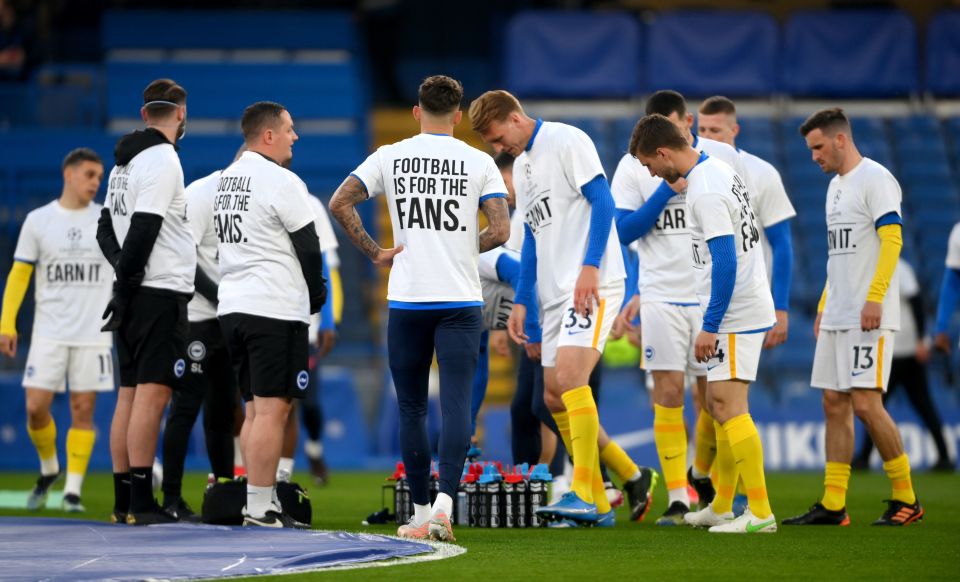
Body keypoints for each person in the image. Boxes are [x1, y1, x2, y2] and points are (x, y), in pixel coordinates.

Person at [330, 75, 510, 542]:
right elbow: (503, 230)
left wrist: (375, 252)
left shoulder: (390, 155)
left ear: (416, 111)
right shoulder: (479, 160)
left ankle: (419, 510)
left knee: (411, 408)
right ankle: (446, 509)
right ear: (458, 115)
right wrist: (463, 247)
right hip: (460, 301)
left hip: (408, 299)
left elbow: (340, 201)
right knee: (456, 409)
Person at [470, 89, 655, 528]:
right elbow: (532, 237)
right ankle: (615, 488)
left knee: (571, 381)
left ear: (515, 118)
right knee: (551, 396)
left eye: (498, 139)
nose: (499, 149)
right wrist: (523, 301)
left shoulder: (567, 140)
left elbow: (604, 201)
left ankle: (586, 493)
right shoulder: (527, 165)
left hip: (590, 283)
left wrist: (591, 266)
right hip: (553, 293)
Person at [630, 113, 778, 533]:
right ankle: (723, 504)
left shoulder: (706, 190)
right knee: (717, 403)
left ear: (662, 152)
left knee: (730, 407)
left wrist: (710, 325)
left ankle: (762, 513)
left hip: (734, 311)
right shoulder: (717, 171)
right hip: (740, 305)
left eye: (648, 164)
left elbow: (726, 261)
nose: (651, 172)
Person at [784, 108, 923, 527]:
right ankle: (833, 503)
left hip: (868, 313)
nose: (814, 157)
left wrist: (875, 298)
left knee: (865, 403)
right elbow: (837, 254)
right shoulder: (836, 188)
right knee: (833, 403)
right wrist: (826, 301)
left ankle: (907, 497)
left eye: (818, 147)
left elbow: (892, 240)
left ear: (840, 139)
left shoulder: (876, 179)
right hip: (839, 312)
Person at [217, 101, 326, 528]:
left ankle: (256, 497)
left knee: (254, 409)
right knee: (273, 409)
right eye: (289, 129)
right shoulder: (281, 180)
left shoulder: (227, 180)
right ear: (268, 135)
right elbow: (308, 243)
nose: (294, 137)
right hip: (273, 309)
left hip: (234, 306)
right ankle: (260, 507)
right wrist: (316, 293)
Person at [97, 78, 195, 525]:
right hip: (157, 293)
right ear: (180, 113)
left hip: (135, 292)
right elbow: (144, 229)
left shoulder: (122, 166)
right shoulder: (162, 159)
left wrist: (121, 278)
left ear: (143, 114)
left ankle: (123, 502)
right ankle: (141, 502)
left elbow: (105, 228)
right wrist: (127, 281)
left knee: (128, 395)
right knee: (150, 399)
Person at [0, 148, 110, 513]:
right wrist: (7, 322)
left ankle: (72, 491)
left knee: (83, 408)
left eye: (99, 176)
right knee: (35, 407)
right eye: (89, 175)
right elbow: (19, 273)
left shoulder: (107, 220)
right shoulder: (38, 220)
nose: (95, 182)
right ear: (69, 174)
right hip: (49, 331)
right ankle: (50, 467)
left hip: (93, 332)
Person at [158, 165, 237, 521]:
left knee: (223, 410)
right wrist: (224, 298)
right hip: (197, 321)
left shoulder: (255, 194)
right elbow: (183, 258)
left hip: (230, 320)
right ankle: (171, 498)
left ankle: (222, 493)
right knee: (185, 407)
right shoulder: (202, 194)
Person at [856, 258, 952, 471]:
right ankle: (944, 455)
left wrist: (920, 340)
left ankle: (863, 457)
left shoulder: (899, 268)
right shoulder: (884, 267)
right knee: (911, 405)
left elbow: (917, 302)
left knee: (875, 405)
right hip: (893, 350)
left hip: (904, 350)